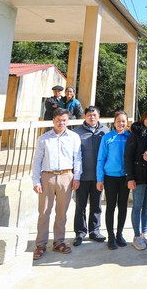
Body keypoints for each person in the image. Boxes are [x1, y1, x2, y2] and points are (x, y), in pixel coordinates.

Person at [32, 108, 82, 260]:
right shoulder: (44, 138)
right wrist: (36, 181)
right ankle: (40, 244)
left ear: (68, 120)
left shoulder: (73, 137)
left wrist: (77, 177)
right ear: (53, 120)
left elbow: (77, 158)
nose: (61, 122)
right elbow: (37, 161)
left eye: (64, 120)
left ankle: (58, 242)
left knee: (61, 212)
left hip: (66, 177)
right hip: (47, 177)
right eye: (59, 120)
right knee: (44, 212)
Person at [72, 105, 109, 246]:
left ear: (99, 116)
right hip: (82, 176)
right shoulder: (77, 133)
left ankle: (95, 231)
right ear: (85, 116)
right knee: (80, 206)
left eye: (94, 115)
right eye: (89, 115)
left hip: (99, 177)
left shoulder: (105, 131)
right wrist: (75, 175)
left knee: (96, 205)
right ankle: (80, 233)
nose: (92, 117)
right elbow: (74, 156)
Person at [125, 109, 147, 250]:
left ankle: (145, 233)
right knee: (137, 206)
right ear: (143, 119)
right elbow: (128, 157)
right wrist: (130, 177)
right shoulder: (135, 134)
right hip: (138, 176)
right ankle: (137, 236)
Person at [96, 110, 130, 250]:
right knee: (110, 207)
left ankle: (119, 234)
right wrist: (100, 179)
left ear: (126, 123)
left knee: (123, 207)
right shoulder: (107, 138)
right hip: (110, 177)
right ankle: (110, 236)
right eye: (118, 121)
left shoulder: (129, 137)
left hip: (125, 178)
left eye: (123, 121)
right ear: (114, 122)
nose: (121, 123)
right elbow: (101, 158)